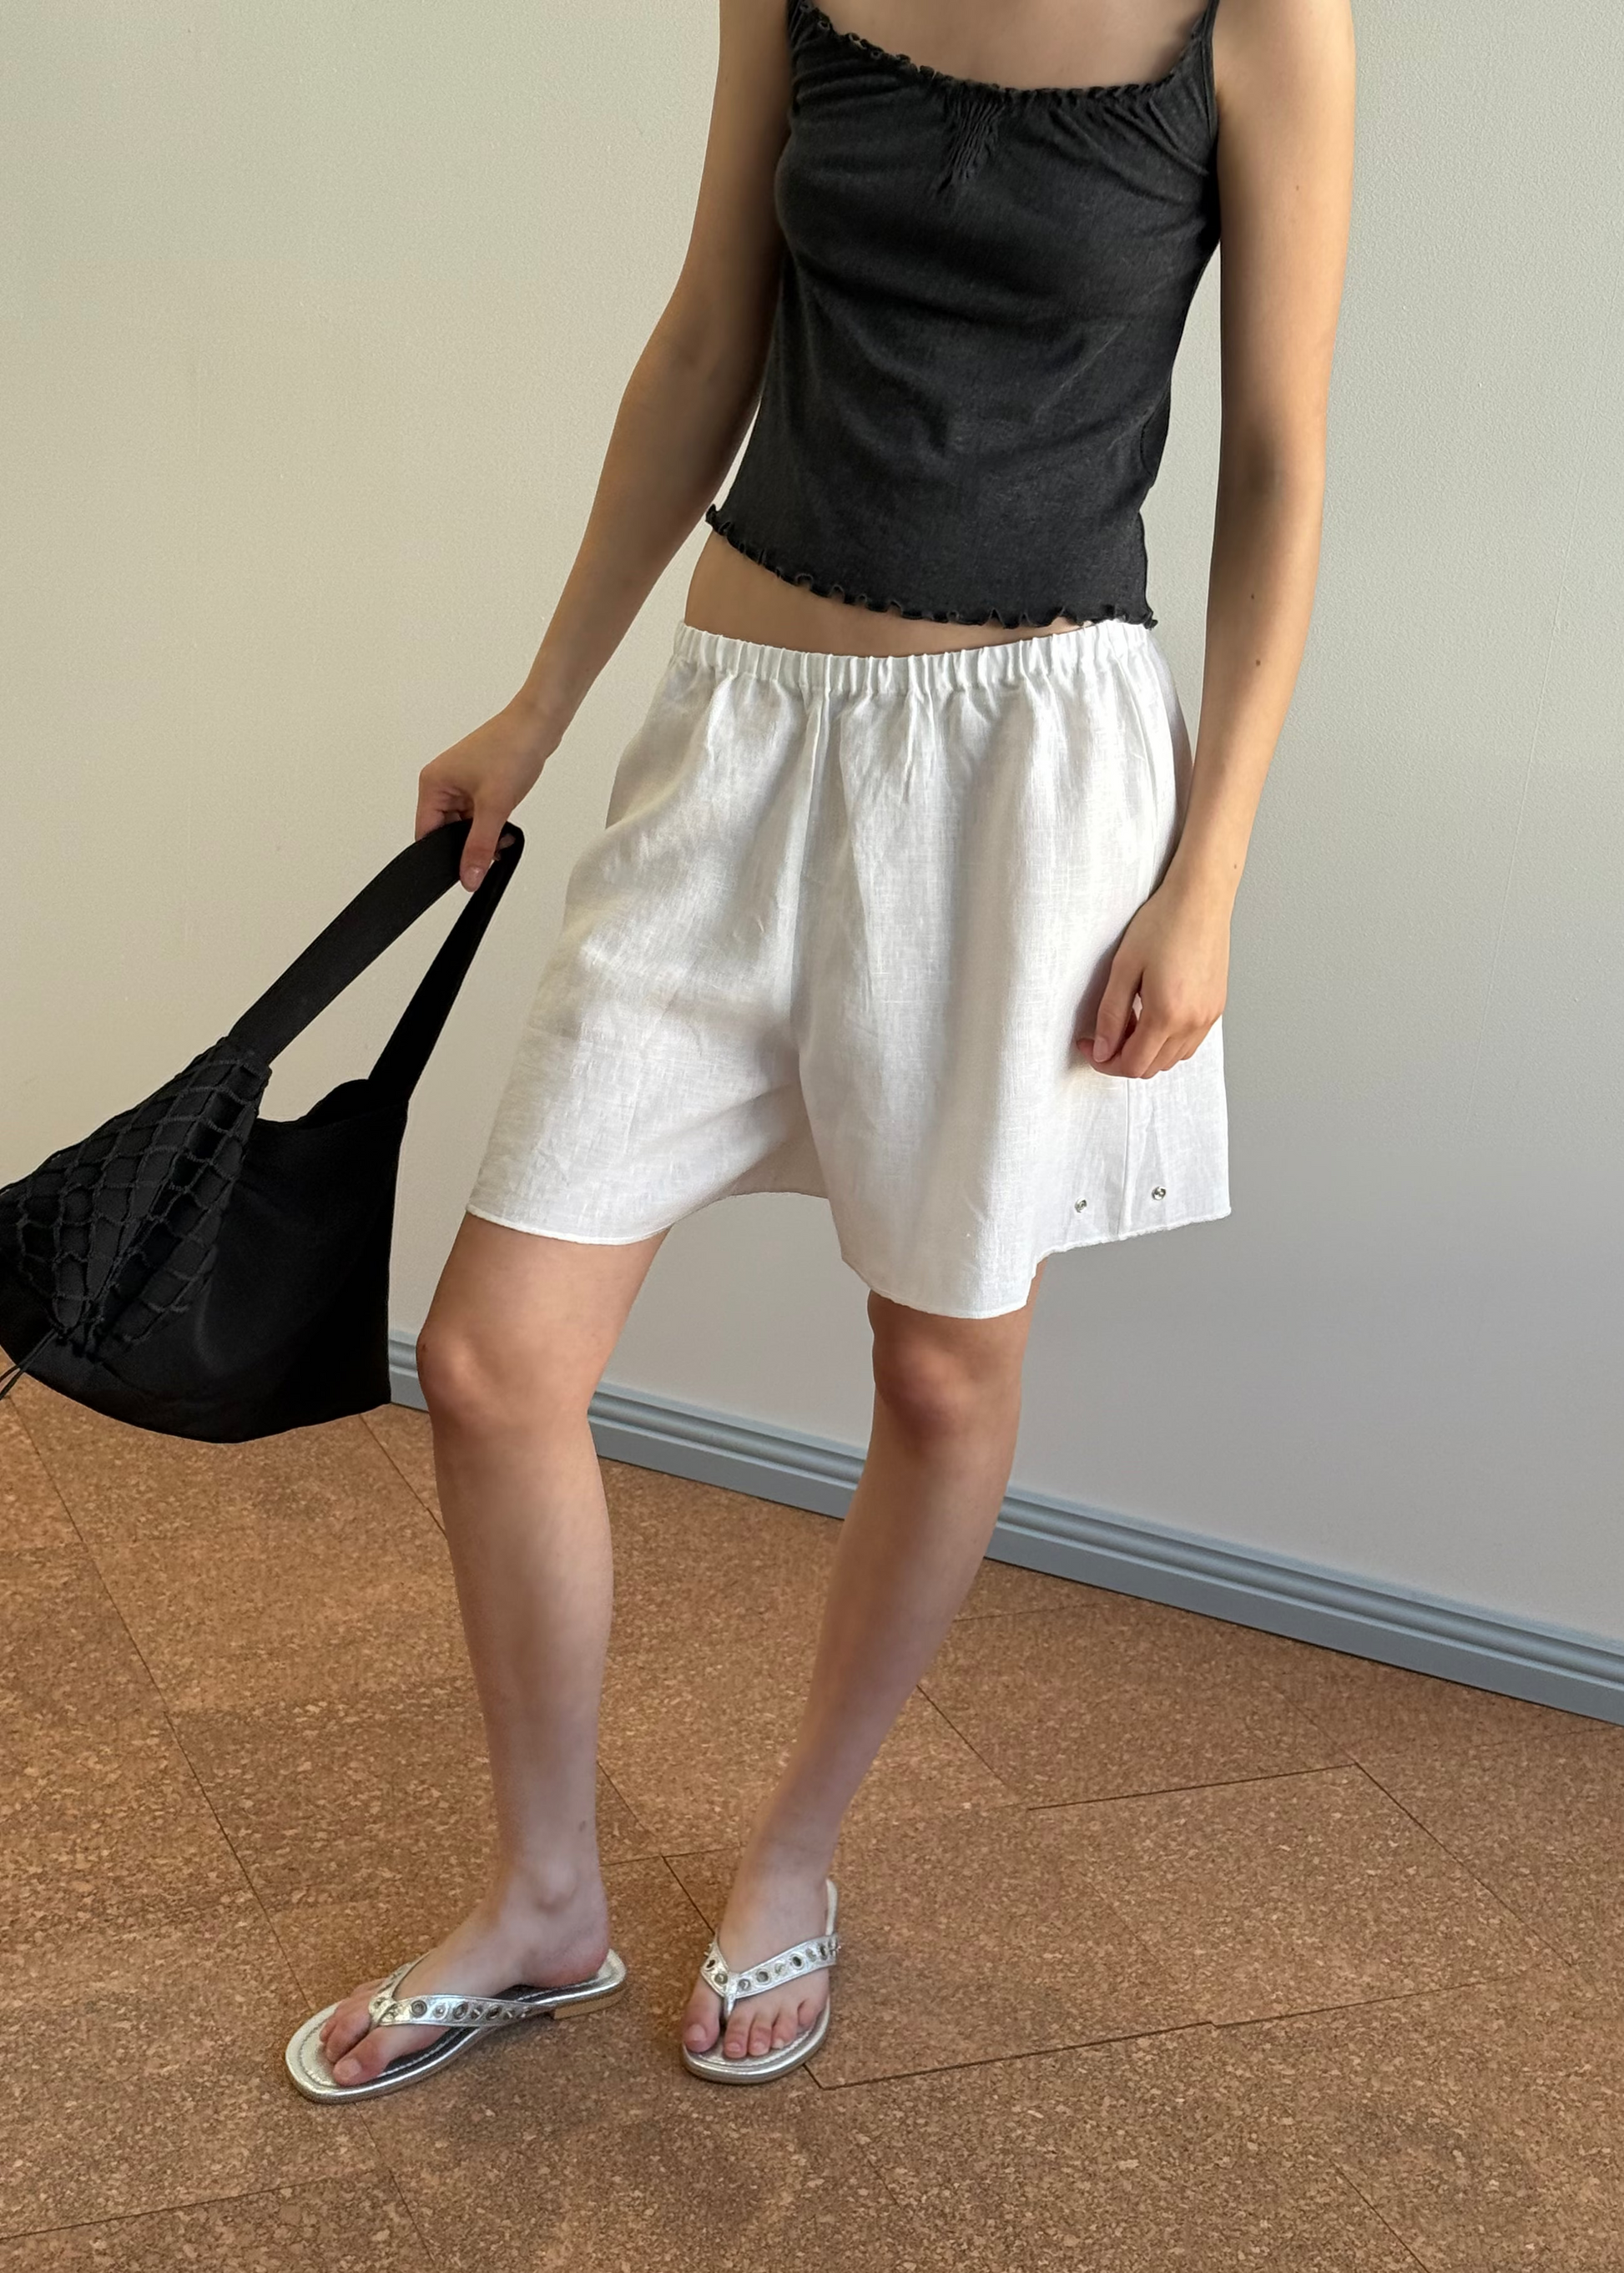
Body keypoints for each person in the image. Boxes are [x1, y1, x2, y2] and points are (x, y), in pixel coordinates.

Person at [285, 0, 1354, 2099]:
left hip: (1035, 786)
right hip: (741, 730)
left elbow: (1281, 461)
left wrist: (1210, 867)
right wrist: (540, 702)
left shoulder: (1263, 22)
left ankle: (791, 1865)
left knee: (940, 1361)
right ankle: (544, 1904)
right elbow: (707, 335)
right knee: (495, 1360)